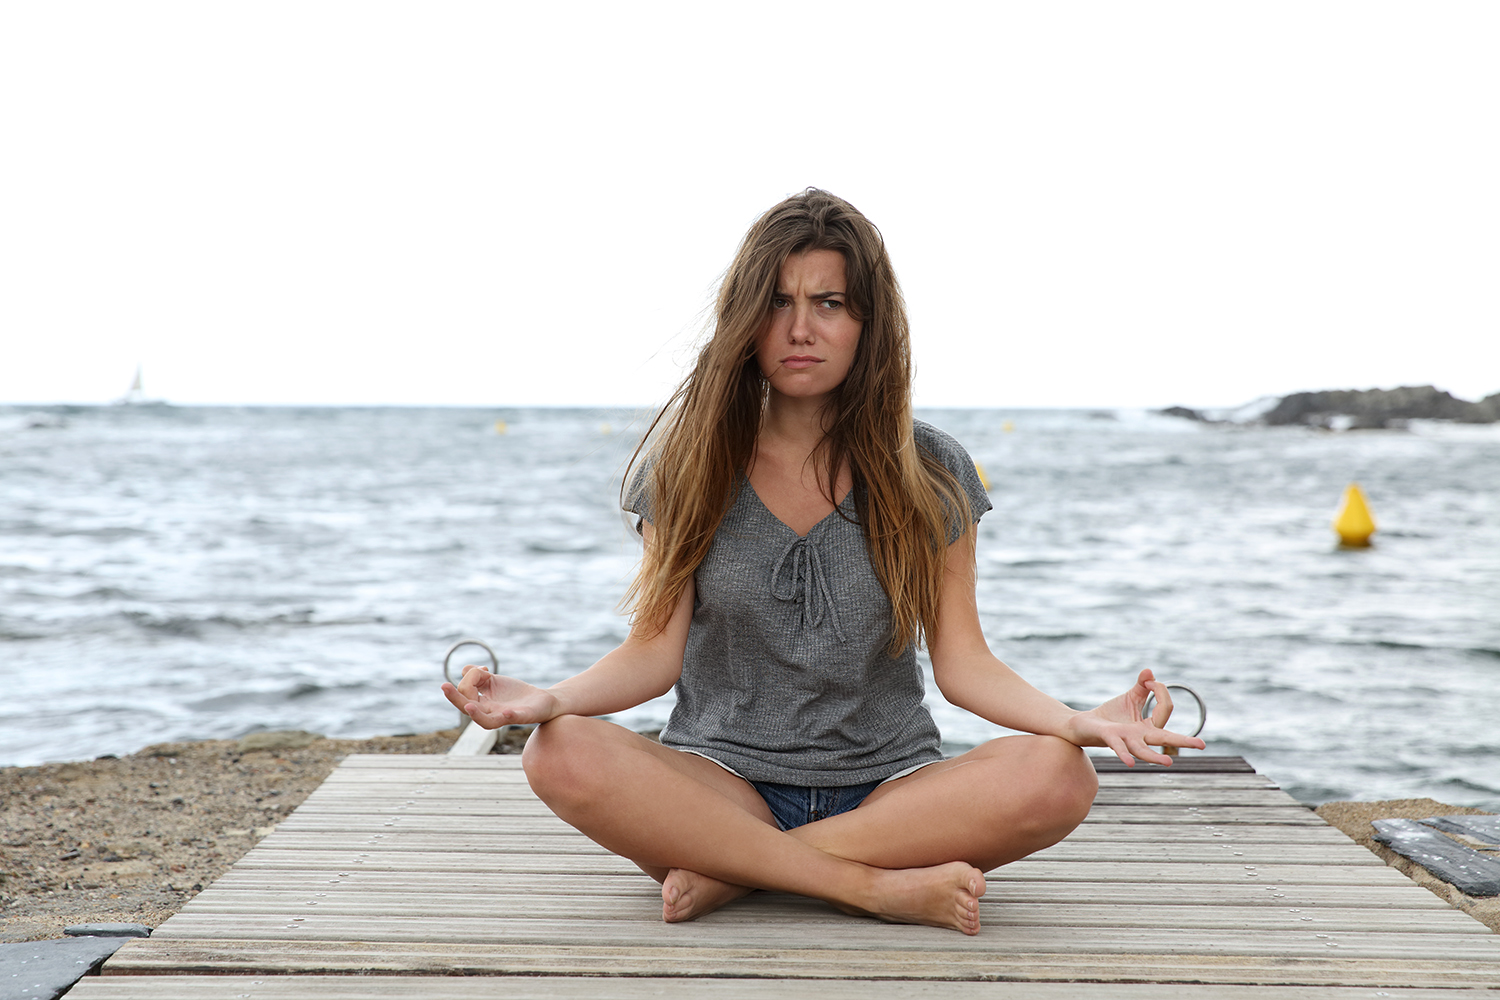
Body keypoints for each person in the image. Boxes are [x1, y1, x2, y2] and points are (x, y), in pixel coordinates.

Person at [442, 188, 1205, 935]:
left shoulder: (930, 469)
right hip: (720, 783)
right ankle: (866, 891)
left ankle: (738, 873)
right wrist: (549, 700)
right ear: (746, 318)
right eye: (778, 302)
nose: (800, 328)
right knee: (561, 751)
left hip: (892, 798)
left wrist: (1074, 721)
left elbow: (965, 664)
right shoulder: (688, 464)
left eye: (829, 303)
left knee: (1060, 773)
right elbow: (651, 655)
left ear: (867, 323)